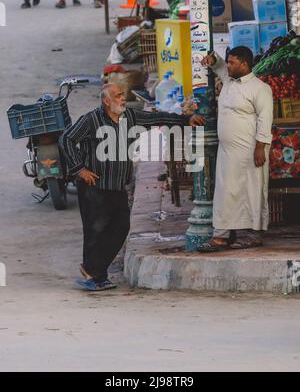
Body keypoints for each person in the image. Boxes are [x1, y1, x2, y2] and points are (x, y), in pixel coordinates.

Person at [61, 83, 205, 291]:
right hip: (94, 186)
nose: (123, 99)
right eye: (118, 96)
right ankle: (96, 275)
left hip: (118, 184)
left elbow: (159, 118)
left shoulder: (130, 117)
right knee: (96, 231)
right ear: (106, 101)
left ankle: (92, 270)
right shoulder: (91, 120)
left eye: (122, 95)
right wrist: (79, 169)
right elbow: (66, 139)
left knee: (121, 226)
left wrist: (186, 120)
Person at [201, 46, 273, 251]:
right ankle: (221, 236)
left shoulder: (260, 88)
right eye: (229, 61)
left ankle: (254, 235)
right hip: (227, 152)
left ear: (245, 64)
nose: (229, 65)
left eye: (233, 62)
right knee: (225, 192)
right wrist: (212, 59)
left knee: (253, 190)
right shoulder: (228, 78)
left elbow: (265, 119)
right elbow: (219, 64)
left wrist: (260, 147)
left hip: (250, 151)